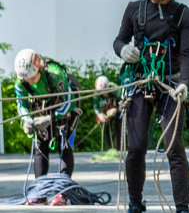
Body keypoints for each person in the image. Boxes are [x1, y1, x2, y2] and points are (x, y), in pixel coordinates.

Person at [113, 0, 189, 213]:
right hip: (140, 84)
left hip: (172, 85)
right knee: (136, 148)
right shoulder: (134, 10)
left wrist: (184, 83)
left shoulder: (185, 16)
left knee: (174, 148)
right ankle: (135, 204)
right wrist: (122, 50)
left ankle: (182, 209)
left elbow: (187, 54)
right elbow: (119, 40)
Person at [13, 48, 82, 180]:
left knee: (64, 143)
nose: (30, 81)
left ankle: (62, 191)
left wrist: (52, 118)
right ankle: (39, 191)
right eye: (26, 79)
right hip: (43, 107)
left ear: (39, 70)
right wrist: (27, 121)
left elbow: (69, 102)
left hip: (65, 106)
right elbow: (21, 104)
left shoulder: (55, 74)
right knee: (41, 144)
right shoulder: (21, 81)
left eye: (32, 78)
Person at [92, 75, 120, 153]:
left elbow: (123, 100)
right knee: (105, 125)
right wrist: (99, 114)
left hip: (116, 109)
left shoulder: (115, 89)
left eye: (104, 91)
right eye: (100, 92)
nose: (102, 93)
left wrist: (116, 109)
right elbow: (95, 107)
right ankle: (109, 149)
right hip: (105, 110)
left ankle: (118, 149)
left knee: (118, 123)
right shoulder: (96, 94)